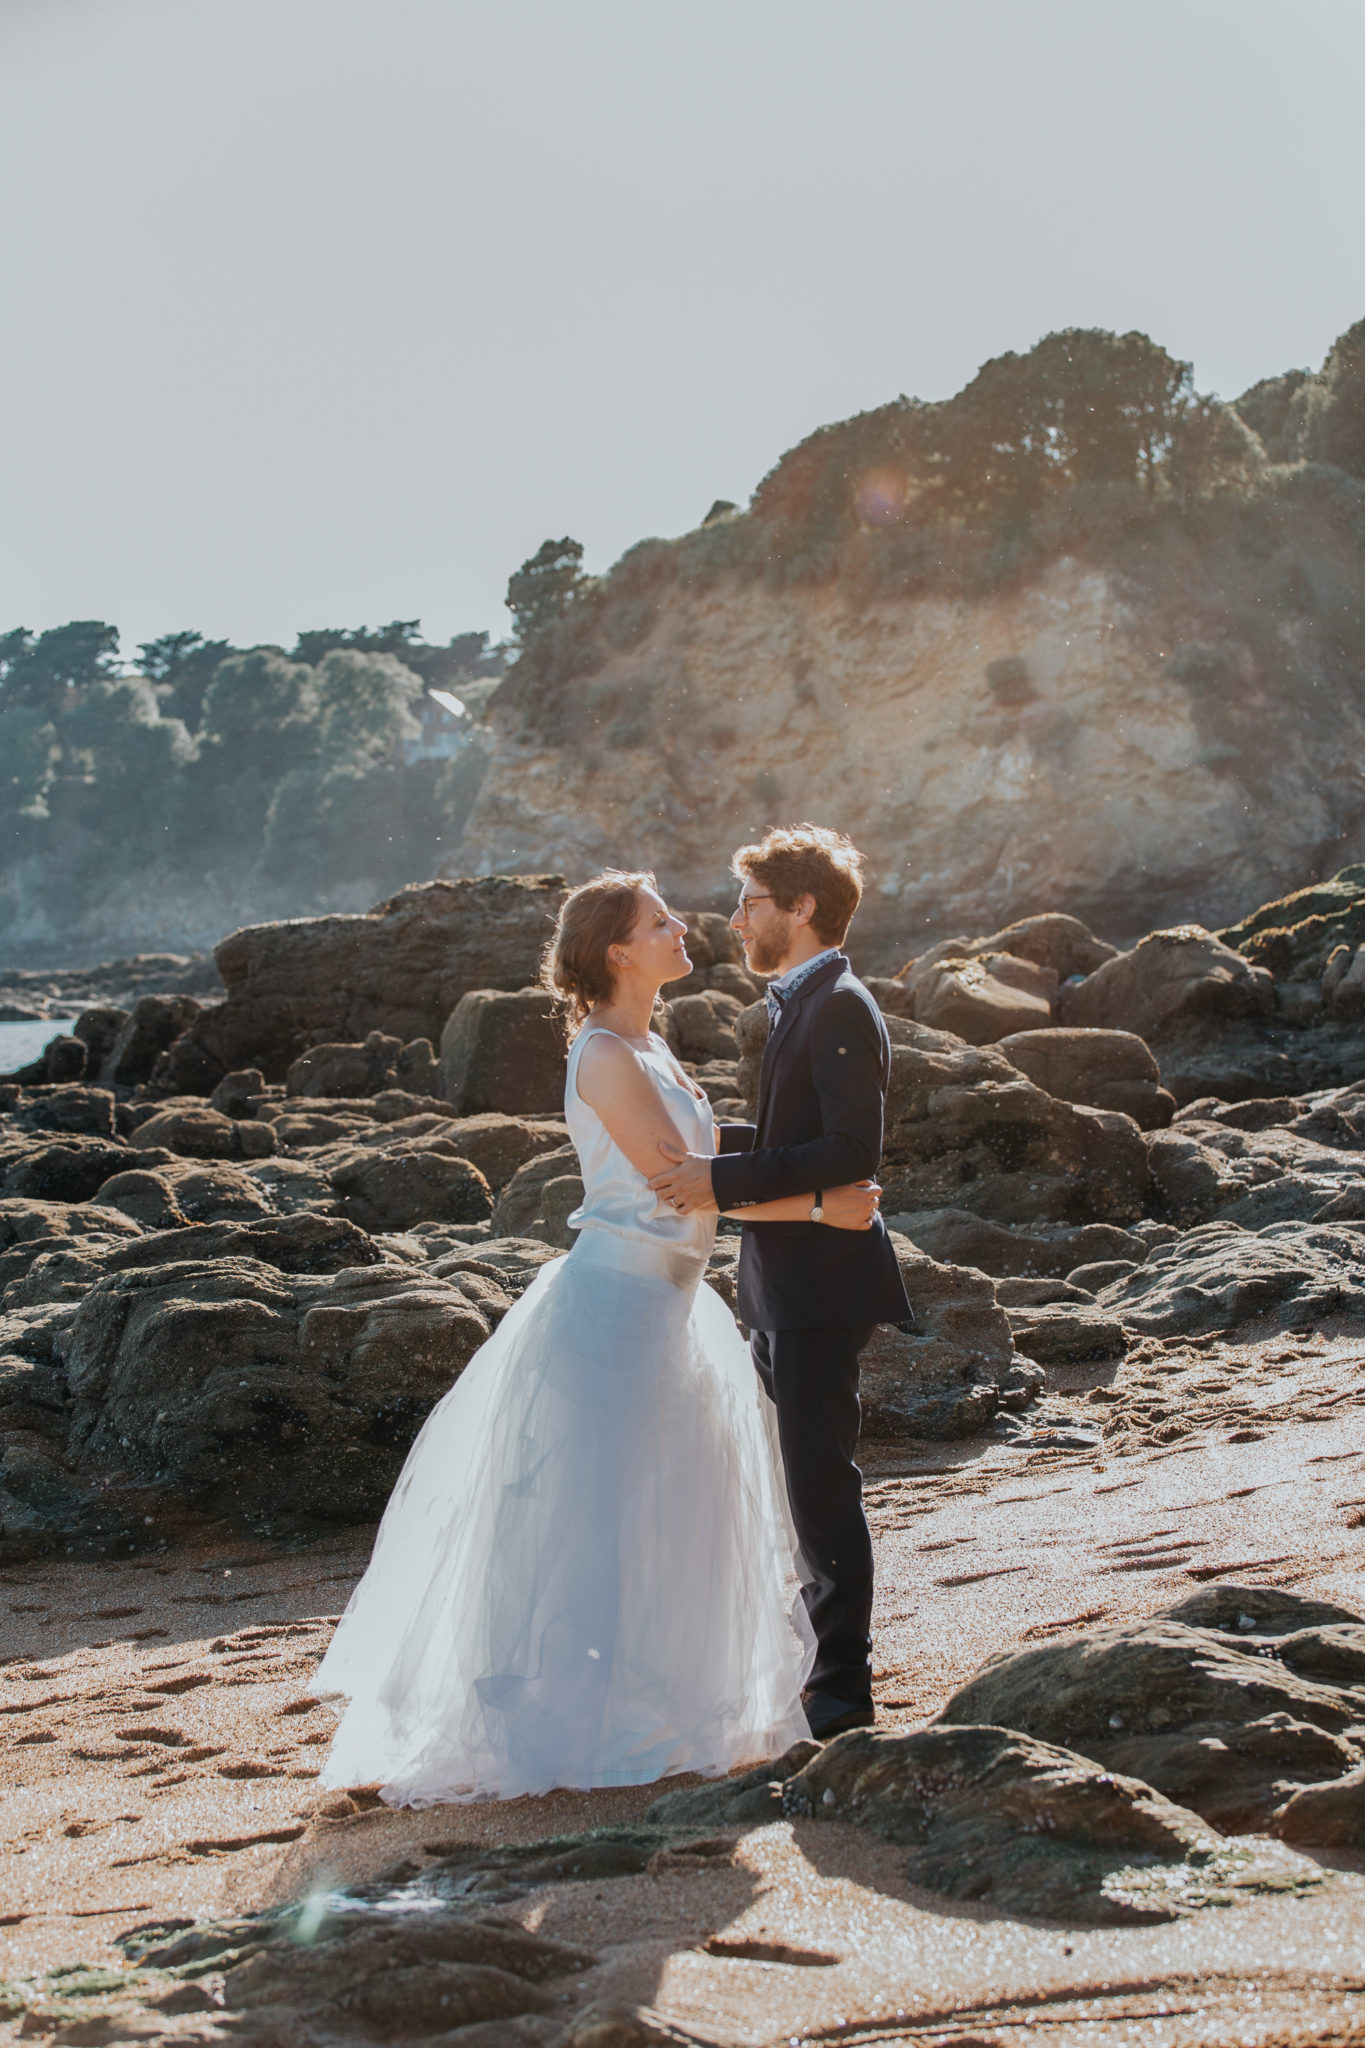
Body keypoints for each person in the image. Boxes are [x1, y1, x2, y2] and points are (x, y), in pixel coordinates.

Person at [315, 869, 880, 1805]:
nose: (685, 928)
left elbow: (705, 1162)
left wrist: (812, 1183)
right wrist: (824, 1203)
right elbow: (675, 1183)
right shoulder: (605, 1055)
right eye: (660, 922)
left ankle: (654, 1715)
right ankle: (577, 1729)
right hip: (615, 1308)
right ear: (617, 950)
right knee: (601, 1524)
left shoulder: (646, 1045)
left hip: (671, 1307)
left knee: (667, 1516)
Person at [649, 825, 911, 1740]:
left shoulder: (837, 1003)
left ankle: (841, 1691)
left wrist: (717, 1180)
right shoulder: (801, 998)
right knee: (796, 1484)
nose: (734, 919)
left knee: (817, 1488)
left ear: (801, 909)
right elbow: (794, 1138)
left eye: (750, 902)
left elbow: (848, 1153)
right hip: (782, 1284)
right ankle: (815, 1667)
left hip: (818, 1289)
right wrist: (704, 1146)